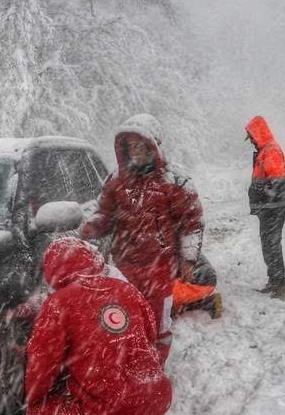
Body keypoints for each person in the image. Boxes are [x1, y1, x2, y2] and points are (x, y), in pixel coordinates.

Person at [24, 238, 173, 415]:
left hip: (113, 414)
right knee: (119, 391)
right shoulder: (127, 289)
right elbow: (150, 338)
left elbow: (42, 366)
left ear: (52, 270)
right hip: (158, 399)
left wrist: (37, 399)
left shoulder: (58, 304)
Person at [81, 114, 204, 364]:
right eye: (131, 146)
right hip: (124, 265)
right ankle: (129, 364)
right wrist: (89, 229)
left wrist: (189, 260)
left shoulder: (175, 180)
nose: (136, 152)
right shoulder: (116, 181)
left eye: (141, 145)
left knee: (158, 322)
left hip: (160, 267)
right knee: (124, 320)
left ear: (154, 146)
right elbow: (104, 214)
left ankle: (154, 368)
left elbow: (192, 222)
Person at [245, 115, 285, 299]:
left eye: (252, 137)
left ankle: (280, 287)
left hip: (273, 209)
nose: (251, 142)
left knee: (272, 247)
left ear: (258, 133)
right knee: (269, 247)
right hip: (269, 209)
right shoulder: (265, 151)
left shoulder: (271, 151)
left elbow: (277, 184)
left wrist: (261, 194)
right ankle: (274, 282)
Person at [171, 253, 223, 319]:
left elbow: (174, 298)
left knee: (171, 298)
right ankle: (208, 301)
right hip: (204, 274)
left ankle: (210, 302)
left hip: (201, 277)